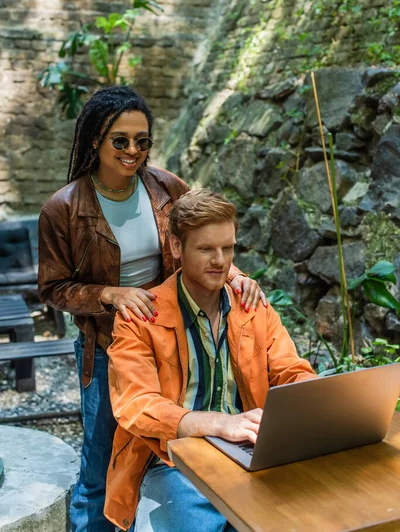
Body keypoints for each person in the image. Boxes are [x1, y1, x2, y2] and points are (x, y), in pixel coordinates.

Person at [37, 87, 266, 532]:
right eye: (119, 141)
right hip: (109, 344)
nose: (133, 151)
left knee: (160, 444)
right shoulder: (63, 208)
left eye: (142, 140)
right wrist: (110, 294)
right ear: (94, 142)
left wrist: (233, 273)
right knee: (103, 464)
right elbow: (53, 288)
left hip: (172, 332)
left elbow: (200, 238)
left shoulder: (165, 186)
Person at [105, 188, 316, 532]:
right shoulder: (141, 315)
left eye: (228, 248)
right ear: (177, 247)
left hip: (252, 451)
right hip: (172, 461)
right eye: (205, 249)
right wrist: (216, 423)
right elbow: (136, 403)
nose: (220, 261)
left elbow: (289, 370)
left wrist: (317, 398)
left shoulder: (252, 304)